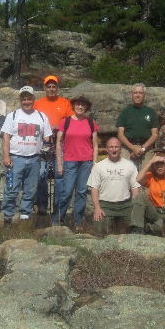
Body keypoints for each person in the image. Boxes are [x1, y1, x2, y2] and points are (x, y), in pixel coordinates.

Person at [1, 86, 52, 224]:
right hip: (15, 159)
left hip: (35, 159)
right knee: (12, 189)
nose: (26, 101)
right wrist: (6, 156)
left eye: (29, 98)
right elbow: (6, 137)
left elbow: (47, 137)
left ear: (33, 99)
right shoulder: (13, 116)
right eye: (24, 99)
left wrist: (47, 148)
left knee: (30, 190)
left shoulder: (41, 116)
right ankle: (8, 217)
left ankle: (25, 216)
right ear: (20, 100)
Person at [54, 96, 99, 229]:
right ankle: (58, 220)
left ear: (86, 107)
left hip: (86, 162)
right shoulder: (66, 121)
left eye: (83, 105)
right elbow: (58, 143)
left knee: (82, 192)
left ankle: (78, 222)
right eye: (78, 104)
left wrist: (94, 163)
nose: (80, 107)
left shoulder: (91, 122)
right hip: (70, 161)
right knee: (67, 192)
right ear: (74, 106)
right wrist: (60, 164)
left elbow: (95, 145)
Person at [34, 75, 73, 215]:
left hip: (60, 144)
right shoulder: (38, 104)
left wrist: (59, 128)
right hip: (43, 144)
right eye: (48, 86)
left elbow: (72, 122)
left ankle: (58, 208)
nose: (51, 89)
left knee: (59, 175)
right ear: (44, 88)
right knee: (41, 174)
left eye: (54, 86)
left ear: (57, 88)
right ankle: (42, 206)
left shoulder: (65, 103)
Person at [87, 137, 141, 235]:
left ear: (121, 149)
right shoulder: (98, 166)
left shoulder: (130, 165)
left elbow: (135, 187)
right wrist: (97, 208)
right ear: (107, 149)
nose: (114, 149)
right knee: (100, 232)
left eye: (116, 147)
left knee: (135, 230)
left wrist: (134, 206)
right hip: (105, 205)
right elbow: (94, 189)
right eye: (111, 147)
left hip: (125, 205)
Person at [131, 153, 165, 234]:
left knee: (162, 228)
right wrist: (150, 162)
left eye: (162, 164)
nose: (159, 166)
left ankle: (149, 227)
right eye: (156, 164)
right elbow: (138, 179)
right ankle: (137, 228)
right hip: (156, 211)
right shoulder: (151, 176)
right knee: (140, 197)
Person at [116, 83, 159, 170]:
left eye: (140, 93)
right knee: (126, 173)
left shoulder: (151, 112)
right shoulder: (125, 112)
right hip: (128, 147)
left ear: (144, 96)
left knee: (146, 174)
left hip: (146, 148)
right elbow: (120, 134)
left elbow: (155, 135)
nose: (137, 95)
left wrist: (142, 149)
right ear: (132, 95)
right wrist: (133, 148)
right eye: (135, 93)